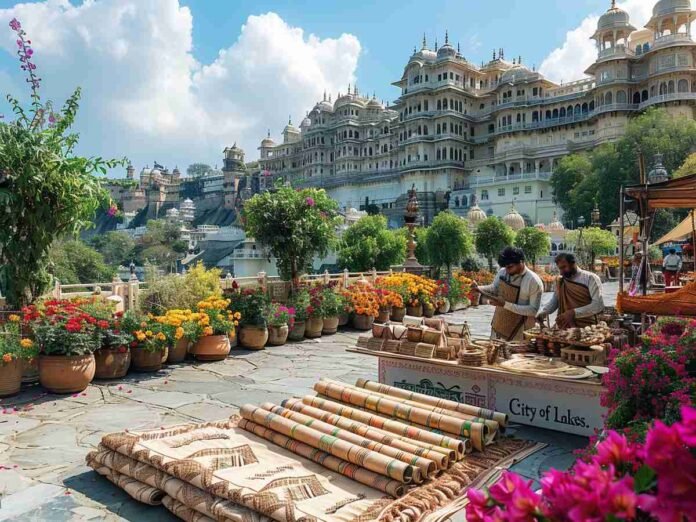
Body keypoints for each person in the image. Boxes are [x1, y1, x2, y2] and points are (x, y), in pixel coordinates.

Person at [472, 247, 543, 341]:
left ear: (521, 262)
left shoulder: (533, 281)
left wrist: (505, 304)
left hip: (521, 328)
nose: (507, 270)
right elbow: (495, 288)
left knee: (515, 355)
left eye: (510, 267)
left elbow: (533, 310)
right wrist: (478, 288)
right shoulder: (503, 272)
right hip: (500, 323)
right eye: (505, 267)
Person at [537, 253, 605, 328]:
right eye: (560, 268)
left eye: (564, 267)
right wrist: (543, 313)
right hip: (564, 327)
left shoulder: (590, 278)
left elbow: (598, 305)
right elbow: (555, 302)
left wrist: (573, 313)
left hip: (587, 327)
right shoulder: (560, 281)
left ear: (573, 263)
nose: (561, 272)